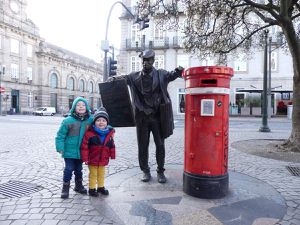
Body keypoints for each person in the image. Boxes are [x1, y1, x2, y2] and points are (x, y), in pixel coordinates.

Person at [108, 49, 184, 183]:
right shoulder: (134, 76)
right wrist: (114, 78)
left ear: (153, 61)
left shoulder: (161, 74)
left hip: (158, 117)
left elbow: (172, 75)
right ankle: (145, 171)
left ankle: (161, 171)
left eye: (148, 61)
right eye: (143, 60)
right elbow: (123, 78)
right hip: (142, 117)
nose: (145, 63)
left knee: (160, 145)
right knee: (142, 146)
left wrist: (178, 70)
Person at [55, 97, 93, 199]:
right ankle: (65, 188)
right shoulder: (68, 121)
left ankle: (78, 186)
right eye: (78, 105)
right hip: (69, 150)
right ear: (74, 107)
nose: (81, 107)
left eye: (83, 105)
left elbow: (101, 124)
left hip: (81, 150)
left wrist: (110, 129)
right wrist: (60, 147)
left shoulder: (90, 120)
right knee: (69, 169)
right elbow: (60, 135)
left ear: (87, 107)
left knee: (79, 169)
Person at [80, 107, 115, 197]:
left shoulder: (109, 134)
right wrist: (85, 158)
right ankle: (92, 189)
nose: (101, 122)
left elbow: (111, 145)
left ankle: (100, 187)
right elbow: (84, 147)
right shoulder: (89, 134)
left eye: (103, 120)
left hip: (103, 159)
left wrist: (112, 155)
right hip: (92, 159)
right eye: (98, 120)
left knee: (101, 174)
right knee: (93, 175)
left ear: (107, 123)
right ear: (94, 122)